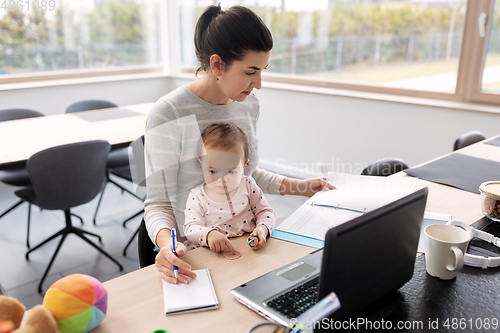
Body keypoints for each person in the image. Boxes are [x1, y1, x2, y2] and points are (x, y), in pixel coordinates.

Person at [144, 4, 334, 285]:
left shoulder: (248, 105)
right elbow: (158, 203)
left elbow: (245, 175)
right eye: (250, 71)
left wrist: (299, 186)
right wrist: (166, 244)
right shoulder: (169, 113)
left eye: (262, 70)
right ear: (217, 64)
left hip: (248, 244)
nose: (258, 83)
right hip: (195, 253)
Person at [184, 123, 275, 253]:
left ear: (244, 165)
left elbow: (266, 212)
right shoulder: (197, 196)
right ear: (201, 164)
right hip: (210, 253)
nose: (222, 179)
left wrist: (263, 228)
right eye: (213, 171)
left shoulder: (248, 186)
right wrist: (209, 235)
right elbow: (190, 228)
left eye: (231, 172)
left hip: (247, 250)